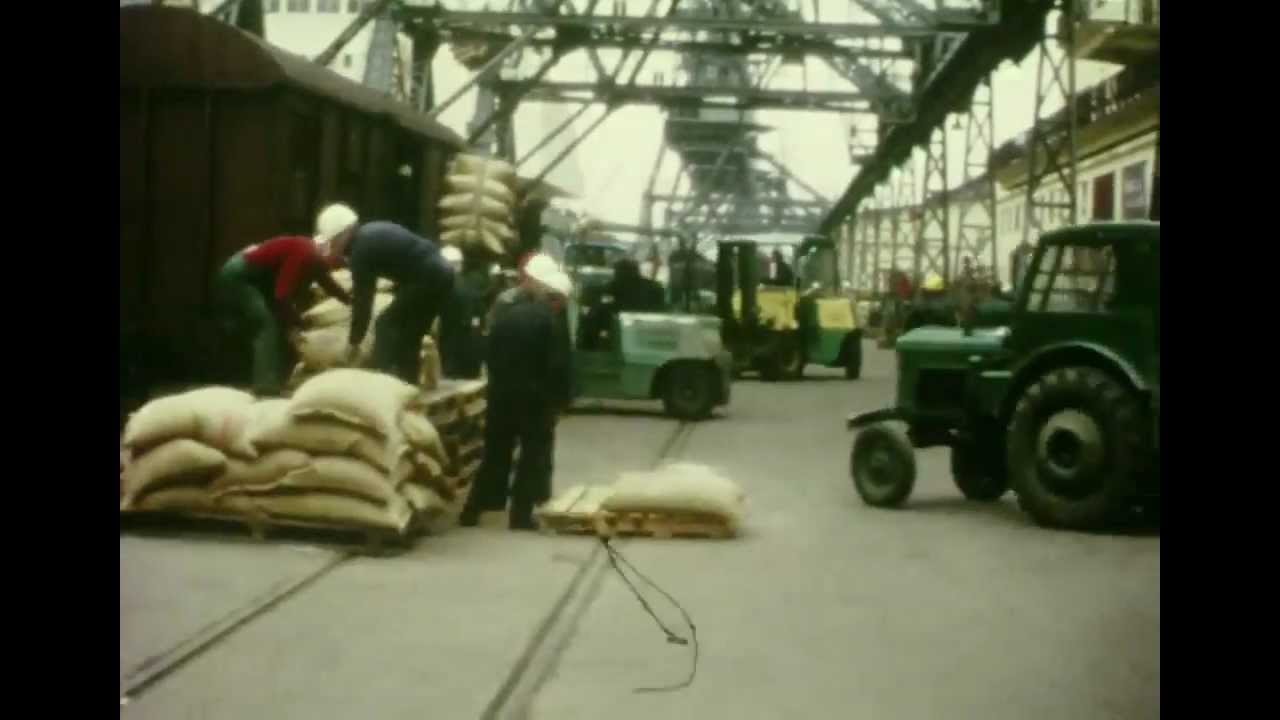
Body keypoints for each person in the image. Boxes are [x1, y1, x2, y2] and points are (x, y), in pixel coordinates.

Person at [460, 261, 574, 531]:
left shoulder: (508, 315)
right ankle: (520, 516)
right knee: (532, 455)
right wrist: (561, 401)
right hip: (534, 400)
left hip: (500, 395)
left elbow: (489, 352)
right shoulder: (552, 323)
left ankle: (472, 510)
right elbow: (557, 366)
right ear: (556, 299)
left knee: (495, 453)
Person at [213, 207, 354, 395]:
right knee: (266, 324)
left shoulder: (316, 260)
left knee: (278, 326)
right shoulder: (304, 252)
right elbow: (282, 294)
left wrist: (351, 302)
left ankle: (277, 379)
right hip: (239, 277)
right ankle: (265, 387)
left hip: (257, 281)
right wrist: (296, 322)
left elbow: (330, 286)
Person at [326, 213, 456, 385]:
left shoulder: (360, 250)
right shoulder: (371, 232)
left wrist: (354, 342)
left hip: (427, 277)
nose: (334, 247)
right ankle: (408, 385)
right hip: (443, 274)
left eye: (334, 241)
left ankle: (382, 382)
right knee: (411, 334)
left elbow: (363, 300)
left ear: (344, 233)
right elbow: (406, 259)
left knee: (385, 323)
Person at [438, 245, 488, 379]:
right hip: (471, 353)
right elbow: (479, 318)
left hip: (450, 354)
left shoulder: (441, 288)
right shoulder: (472, 286)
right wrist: (474, 325)